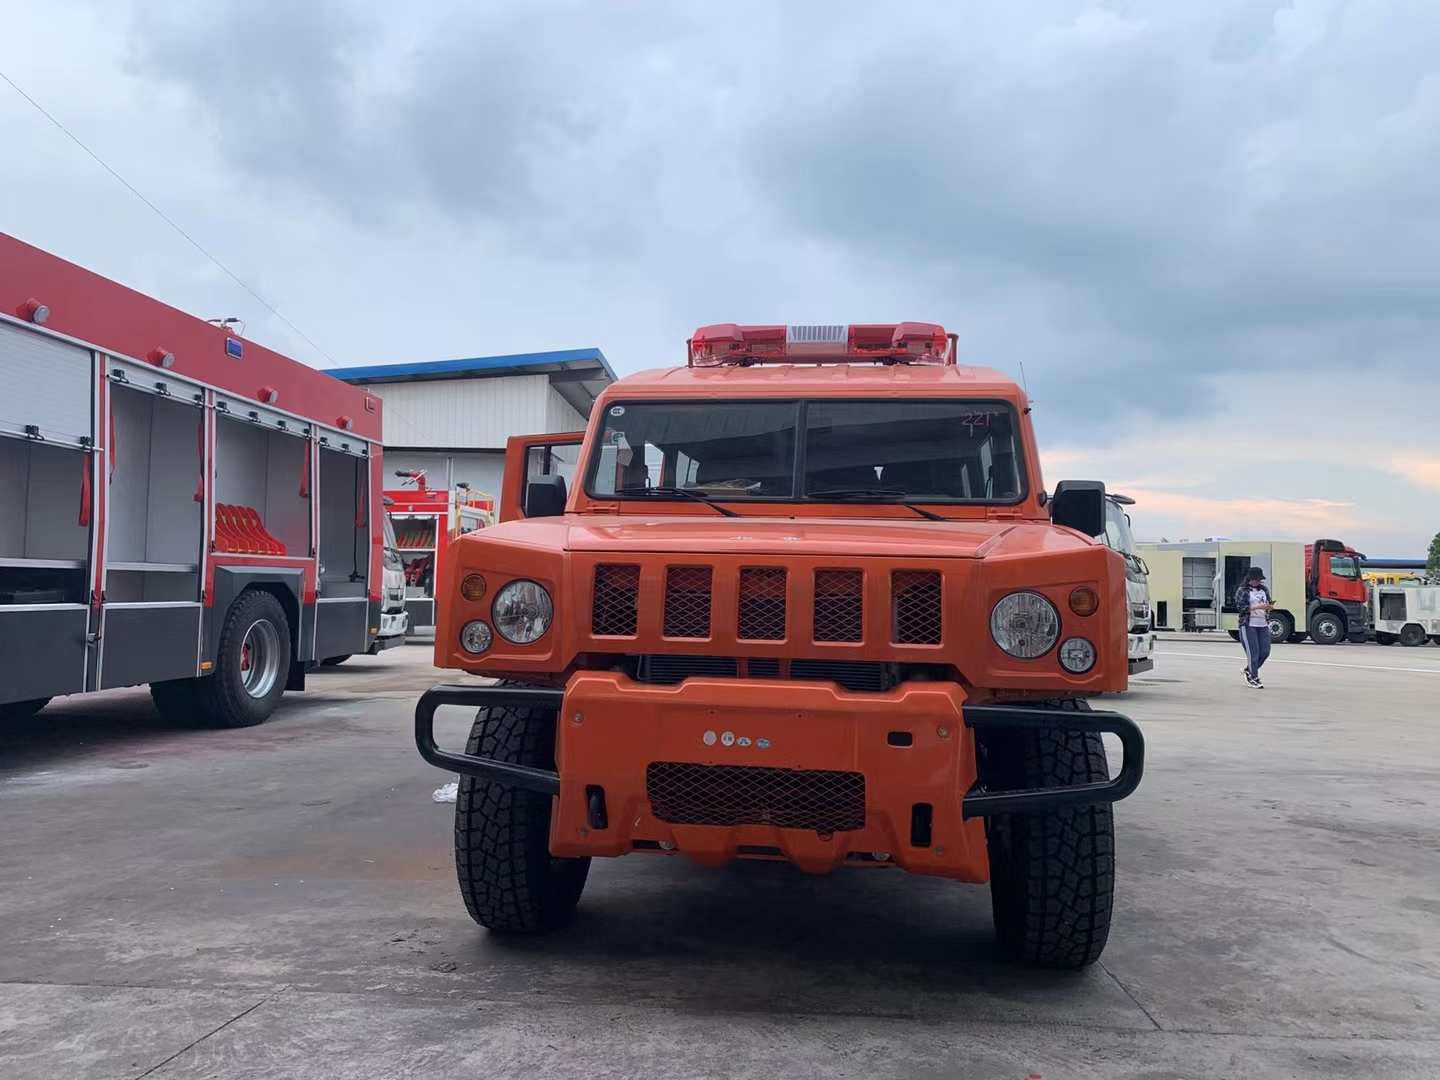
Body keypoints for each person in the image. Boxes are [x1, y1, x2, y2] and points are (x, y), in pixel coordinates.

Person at [1235, 567, 1273, 688]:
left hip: (1263, 624)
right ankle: (1253, 677)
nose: (1257, 582)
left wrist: (1269, 607)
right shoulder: (1243, 591)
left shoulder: (1264, 590)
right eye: (1254, 579)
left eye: (1259, 580)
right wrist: (1257, 607)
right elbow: (1241, 608)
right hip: (1248, 624)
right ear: (1249, 579)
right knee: (1253, 652)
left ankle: (1248, 670)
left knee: (1265, 652)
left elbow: (1268, 602)